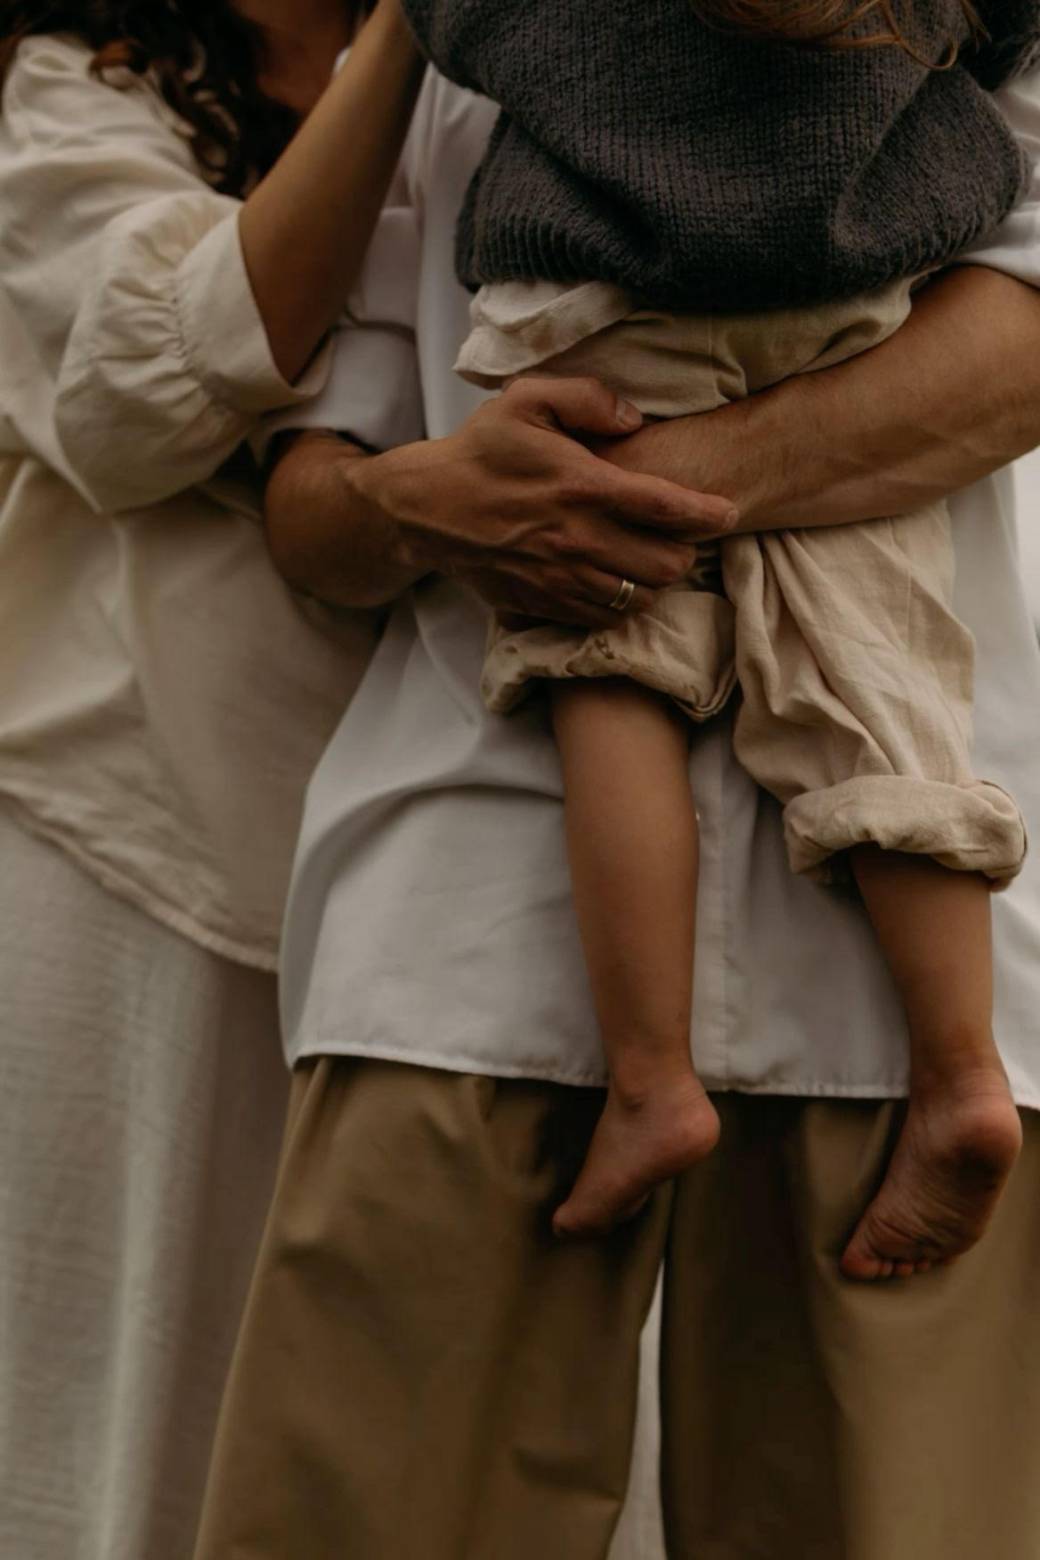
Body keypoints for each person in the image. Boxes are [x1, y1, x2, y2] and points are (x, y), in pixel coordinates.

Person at [193, 51, 1040, 1560]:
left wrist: (614, 485)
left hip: (890, 991)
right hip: (466, 934)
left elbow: (1015, 351)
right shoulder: (448, 52)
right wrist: (415, 503)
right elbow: (314, 492)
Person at [392, 0, 1032, 1266]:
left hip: (615, 313)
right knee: (878, 671)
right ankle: (961, 1071)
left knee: (601, 645)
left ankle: (650, 1081)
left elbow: (457, 30)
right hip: (855, 312)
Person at [0, 3, 428, 1555]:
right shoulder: (76, 84)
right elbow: (144, 389)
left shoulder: (536, 80)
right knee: (115, 1421)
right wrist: (411, 38)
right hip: (138, 850)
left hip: (447, 870)